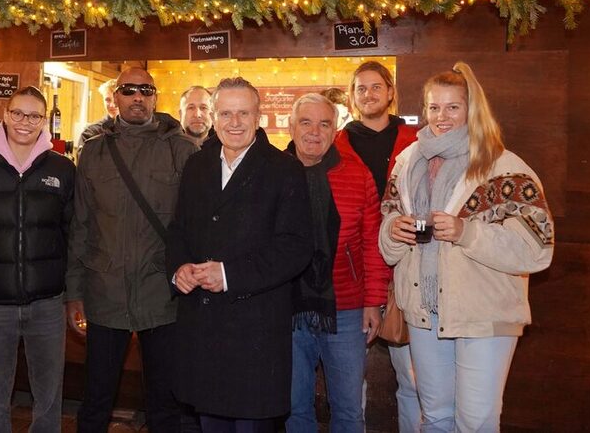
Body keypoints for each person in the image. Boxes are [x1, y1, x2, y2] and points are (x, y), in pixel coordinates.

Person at [380, 62, 554, 432]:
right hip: (425, 313)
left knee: (475, 422)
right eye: (434, 107)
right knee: (436, 417)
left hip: (483, 313)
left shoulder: (503, 167)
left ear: (471, 109)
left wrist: (466, 232)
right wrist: (393, 232)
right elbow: (388, 224)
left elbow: (537, 248)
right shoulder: (407, 162)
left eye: (452, 107)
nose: (442, 117)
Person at [166, 77, 313, 432]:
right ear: (214, 118)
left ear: (258, 116)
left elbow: (295, 247)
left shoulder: (284, 168)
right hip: (204, 328)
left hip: (255, 332)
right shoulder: (197, 166)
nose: (234, 122)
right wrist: (179, 267)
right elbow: (178, 229)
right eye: (226, 113)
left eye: (243, 113)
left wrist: (229, 275)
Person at [66, 67, 197, 431]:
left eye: (145, 90)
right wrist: (74, 292)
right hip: (105, 292)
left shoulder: (182, 150)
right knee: (96, 400)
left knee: (165, 403)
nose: (137, 97)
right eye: (129, 90)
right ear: (116, 98)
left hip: (162, 295)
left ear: (155, 97)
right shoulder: (93, 152)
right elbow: (80, 224)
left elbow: (195, 226)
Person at [0, 86, 75, 432]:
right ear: (5, 116)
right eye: (18, 113)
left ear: (44, 122)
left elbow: (73, 230)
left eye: (34, 115)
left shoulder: (63, 170)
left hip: (48, 303)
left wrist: (62, 279)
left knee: (49, 396)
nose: (25, 122)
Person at [284, 94, 386, 433]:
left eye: (324, 123)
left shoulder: (357, 175)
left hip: (346, 309)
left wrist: (373, 301)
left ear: (335, 129)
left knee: (348, 410)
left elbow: (372, 243)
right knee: (294, 408)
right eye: (306, 122)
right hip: (286, 308)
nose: (315, 132)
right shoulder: (273, 173)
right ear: (291, 126)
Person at [336, 60, 420, 432]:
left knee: (412, 374)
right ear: (352, 97)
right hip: (354, 273)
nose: (369, 94)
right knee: (352, 377)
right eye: (361, 88)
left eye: (375, 86)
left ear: (390, 91)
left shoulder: (417, 141)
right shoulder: (337, 143)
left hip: (407, 268)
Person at [77, 78, 118, 149]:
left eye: (116, 100)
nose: (112, 105)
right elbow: (83, 159)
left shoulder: (136, 131)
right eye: (108, 100)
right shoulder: (91, 132)